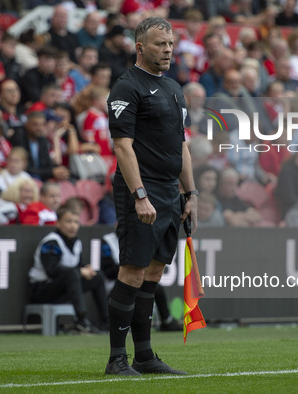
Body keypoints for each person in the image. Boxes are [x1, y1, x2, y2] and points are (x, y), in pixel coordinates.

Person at [105, 17, 196, 376]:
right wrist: (139, 195)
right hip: (140, 190)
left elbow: (182, 145)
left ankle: (144, 356)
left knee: (154, 273)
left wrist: (191, 192)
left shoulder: (174, 87)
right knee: (132, 271)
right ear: (140, 48)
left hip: (170, 193)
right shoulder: (127, 88)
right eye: (161, 44)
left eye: (171, 44)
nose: (168, 50)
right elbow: (122, 148)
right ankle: (116, 360)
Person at [29, 203, 109, 333]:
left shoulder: (76, 242)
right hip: (42, 290)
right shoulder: (51, 242)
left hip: (64, 288)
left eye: (76, 222)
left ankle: (107, 322)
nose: (73, 226)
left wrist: (85, 270)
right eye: (68, 221)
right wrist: (79, 271)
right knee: (72, 274)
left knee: (97, 276)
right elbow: (52, 270)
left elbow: (78, 266)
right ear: (58, 223)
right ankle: (81, 320)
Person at [100, 232, 183, 331]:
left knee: (156, 287)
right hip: (116, 283)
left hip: (138, 280)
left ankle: (167, 321)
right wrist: (132, 269)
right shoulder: (107, 240)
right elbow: (108, 270)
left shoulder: (139, 237)